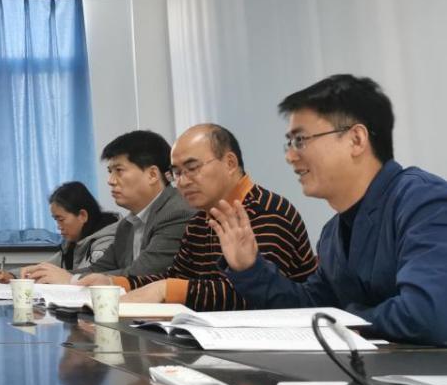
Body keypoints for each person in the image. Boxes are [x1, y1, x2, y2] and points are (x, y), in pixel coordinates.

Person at [215, 75, 447, 346]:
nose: (290, 156)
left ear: (356, 140)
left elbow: (428, 314)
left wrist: (344, 319)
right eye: (289, 143)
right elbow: (310, 308)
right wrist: (248, 267)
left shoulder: (424, 202)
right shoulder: (332, 233)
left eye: (300, 140)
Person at [82, 124, 317, 311]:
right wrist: (114, 284)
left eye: (192, 168)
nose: (182, 181)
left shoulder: (266, 210)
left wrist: (166, 289)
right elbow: (177, 277)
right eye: (177, 172)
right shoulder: (199, 221)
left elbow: (251, 296)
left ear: (230, 163)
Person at [26, 131, 192, 285]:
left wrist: (71, 280)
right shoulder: (127, 225)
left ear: (152, 175)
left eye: (119, 170)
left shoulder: (177, 212)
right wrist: (43, 275)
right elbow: (97, 269)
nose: (110, 181)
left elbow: (141, 274)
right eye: (110, 171)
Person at [6, 181, 119, 283]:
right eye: (56, 220)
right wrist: (12, 275)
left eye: (61, 219)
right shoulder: (71, 244)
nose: (59, 227)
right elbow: (46, 267)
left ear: (82, 216)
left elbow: (91, 277)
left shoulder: (105, 243)